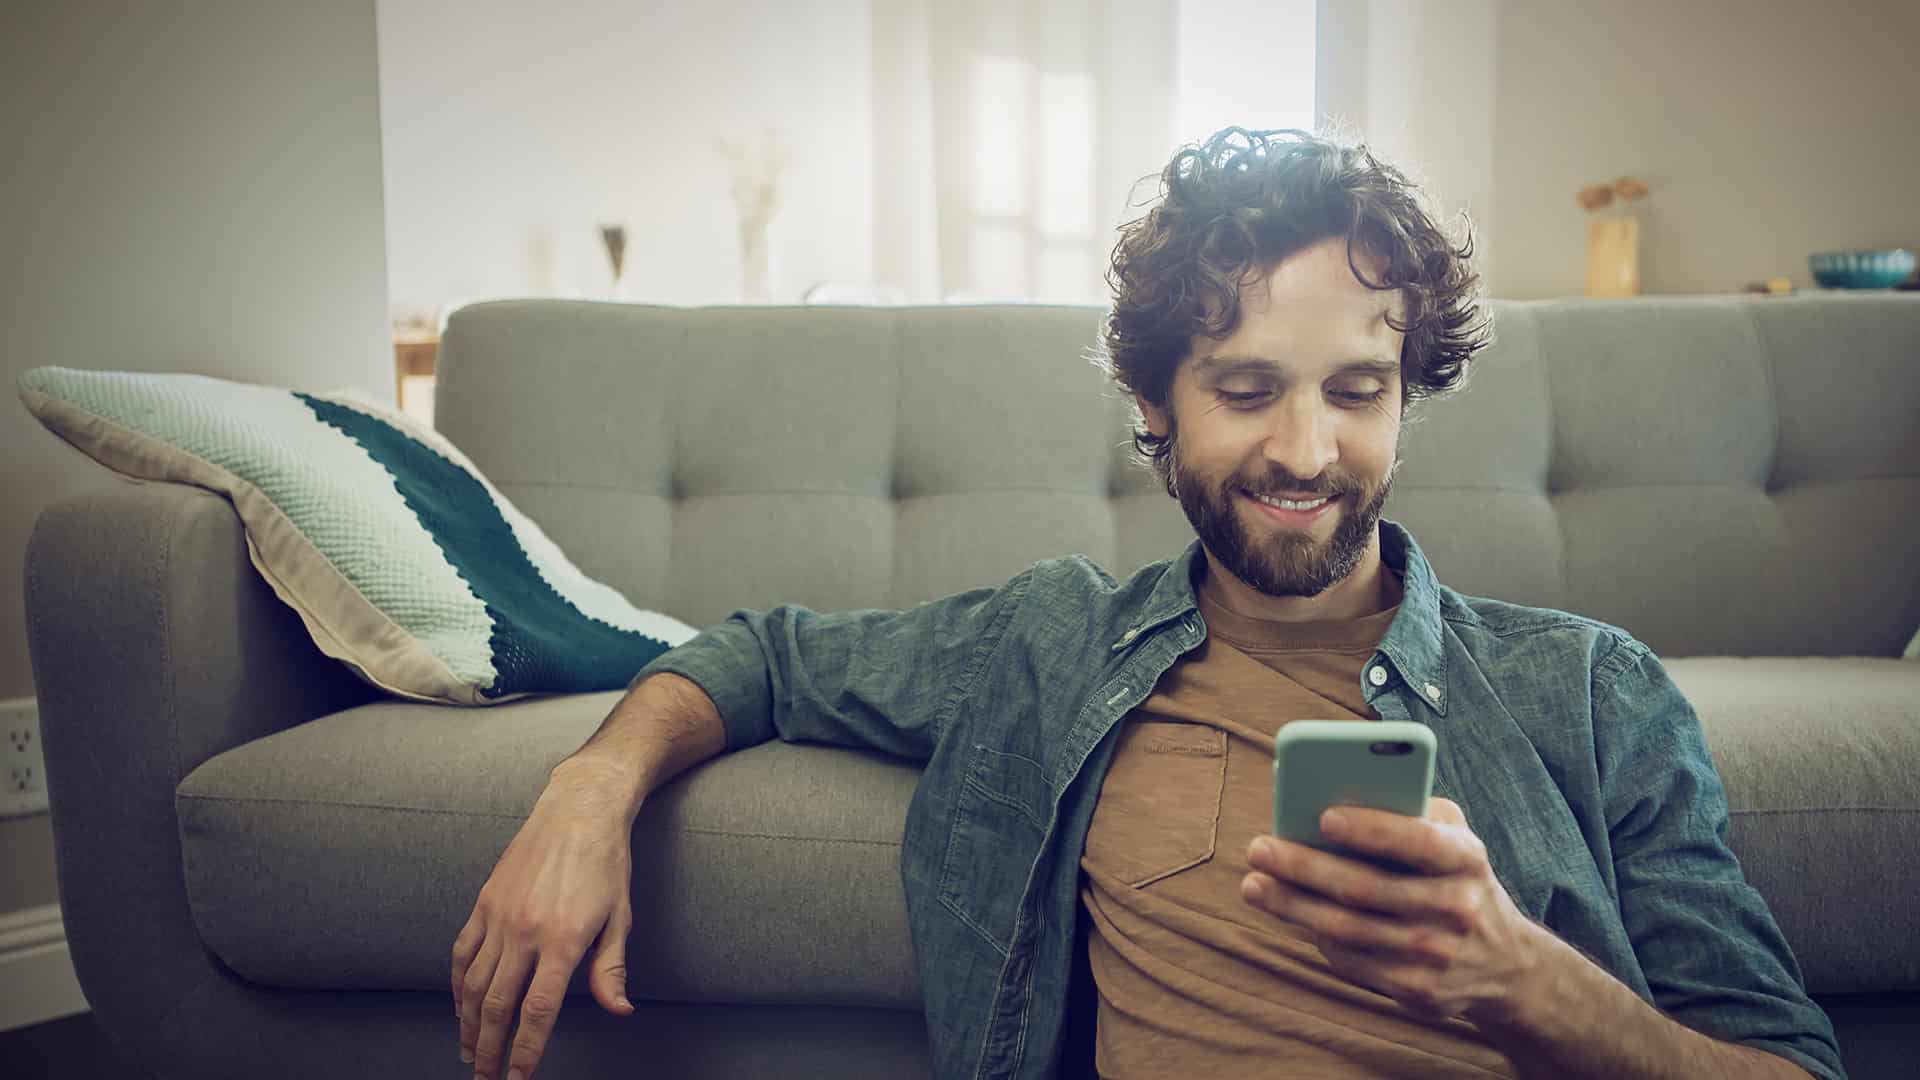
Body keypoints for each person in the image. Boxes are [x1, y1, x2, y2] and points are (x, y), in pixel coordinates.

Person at [449, 127, 1844, 1080]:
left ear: (1407, 397)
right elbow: (761, 658)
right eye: (1246, 391)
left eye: (1357, 392)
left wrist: (1529, 986)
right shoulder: (1050, 644)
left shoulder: (1591, 694)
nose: (1307, 452)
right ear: (1156, 405)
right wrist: (584, 802)